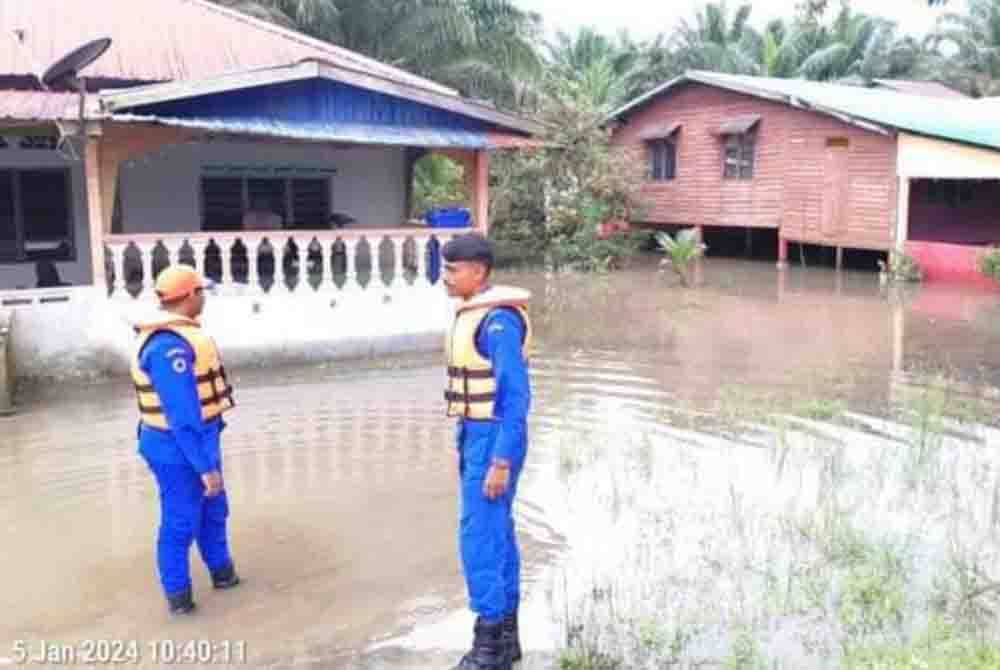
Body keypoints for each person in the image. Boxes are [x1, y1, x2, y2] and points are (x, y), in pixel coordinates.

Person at [441, 233, 532, 670]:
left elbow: (516, 398)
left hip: (493, 439)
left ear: (478, 271)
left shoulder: (499, 322)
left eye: (452, 269)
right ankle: (508, 639)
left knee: (477, 536)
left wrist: (500, 460)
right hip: (474, 434)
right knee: (496, 533)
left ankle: (489, 647)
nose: (445, 277)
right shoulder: (475, 315)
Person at [131, 265, 240, 616]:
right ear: (190, 295)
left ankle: (224, 576)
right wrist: (204, 466)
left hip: (200, 440)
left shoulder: (181, 337)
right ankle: (179, 600)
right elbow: (181, 415)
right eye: (202, 292)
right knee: (180, 521)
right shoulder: (167, 347)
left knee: (214, 510)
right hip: (176, 447)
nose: (204, 298)